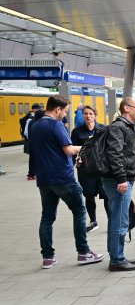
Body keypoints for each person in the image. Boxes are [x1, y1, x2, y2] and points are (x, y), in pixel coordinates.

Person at [28, 95, 105, 269]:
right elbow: (69, 149)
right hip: (63, 177)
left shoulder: (35, 125)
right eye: (65, 111)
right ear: (57, 109)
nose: (65, 114)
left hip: (44, 179)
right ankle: (83, 252)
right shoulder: (56, 125)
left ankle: (47, 257)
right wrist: (89, 146)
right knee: (79, 211)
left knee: (47, 216)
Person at [101, 97, 135, 271]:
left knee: (117, 218)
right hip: (118, 180)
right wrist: (121, 178)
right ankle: (117, 260)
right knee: (120, 220)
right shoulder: (118, 127)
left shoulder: (125, 126)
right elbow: (115, 154)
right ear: (126, 108)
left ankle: (117, 255)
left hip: (121, 179)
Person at [70, 105, 106, 232]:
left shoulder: (103, 129)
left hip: (102, 168)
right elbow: (72, 149)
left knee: (106, 195)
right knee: (89, 196)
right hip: (85, 168)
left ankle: (112, 220)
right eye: (85, 113)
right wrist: (76, 159)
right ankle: (93, 221)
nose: (88, 116)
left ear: (95, 115)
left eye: (90, 113)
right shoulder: (77, 131)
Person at [23, 103, 44, 180]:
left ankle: (31, 174)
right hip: (39, 144)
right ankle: (38, 173)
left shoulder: (31, 121)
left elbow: (26, 133)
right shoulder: (42, 123)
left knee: (32, 159)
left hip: (31, 143)